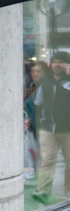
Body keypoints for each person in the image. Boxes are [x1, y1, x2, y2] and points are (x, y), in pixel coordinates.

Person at [34, 51, 70, 202]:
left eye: (61, 62)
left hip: (68, 130)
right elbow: (38, 103)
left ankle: (68, 191)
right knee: (47, 160)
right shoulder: (46, 81)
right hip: (48, 129)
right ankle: (43, 191)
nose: (57, 64)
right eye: (55, 61)